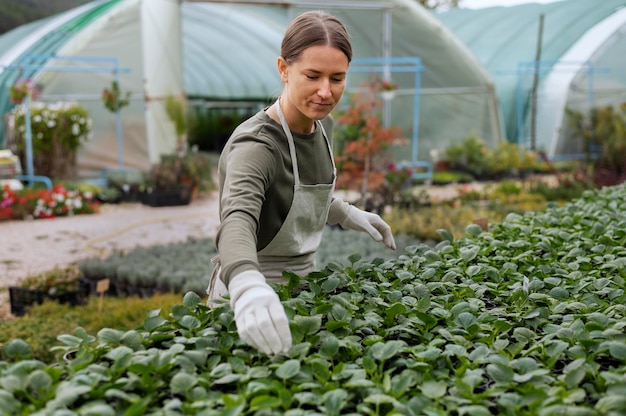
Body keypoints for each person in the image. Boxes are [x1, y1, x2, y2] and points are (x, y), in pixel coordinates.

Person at [207, 10, 396, 355]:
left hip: (302, 287)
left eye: (337, 78)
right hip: (253, 301)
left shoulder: (323, 127)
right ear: (283, 69)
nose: (325, 92)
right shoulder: (257, 145)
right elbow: (237, 220)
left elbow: (294, 193)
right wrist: (248, 286)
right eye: (313, 76)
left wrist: (345, 213)